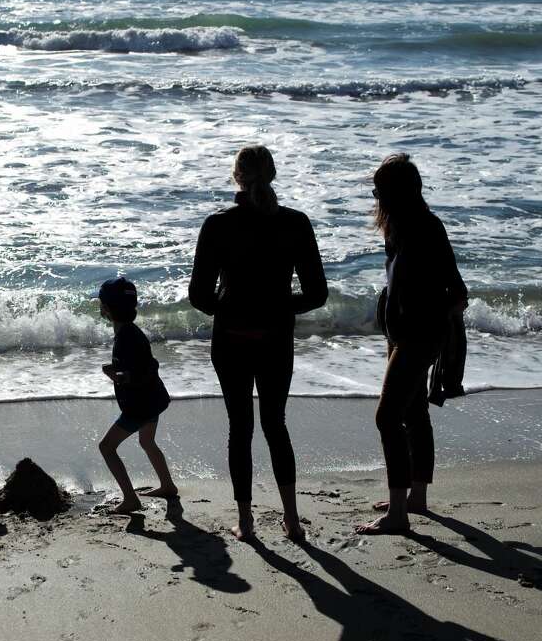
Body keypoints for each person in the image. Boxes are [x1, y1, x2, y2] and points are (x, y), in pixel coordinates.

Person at [189, 145, 328, 542]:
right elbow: (317, 294)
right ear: (273, 175)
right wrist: (280, 307)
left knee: (240, 428)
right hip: (276, 338)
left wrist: (231, 308)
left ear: (237, 177)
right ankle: (292, 519)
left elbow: (199, 296)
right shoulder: (296, 223)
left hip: (231, 338)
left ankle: (246, 521)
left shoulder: (217, 225)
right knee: (276, 425)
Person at [357, 154, 467, 535]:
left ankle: (399, 515)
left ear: (394, 194)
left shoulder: (425, 229)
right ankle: (414, 498)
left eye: (379, 191)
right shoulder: (400, 228)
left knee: (387, 417)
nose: (375, 199)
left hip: (418, 335)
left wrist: (436, 332)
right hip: (403, 333)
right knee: (414, 411)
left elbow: (457, 289)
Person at [96, 276, 177, 514]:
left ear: (108, 309)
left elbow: (136, 373)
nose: (100, 308)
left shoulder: (125, 338)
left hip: (140, 406)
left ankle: (130, 499)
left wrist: (113, 373)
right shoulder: (131, 332)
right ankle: (168, 485)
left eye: (101, 304)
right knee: (147, 441)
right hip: (153, 400)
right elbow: (147, 366)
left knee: (107, 447)